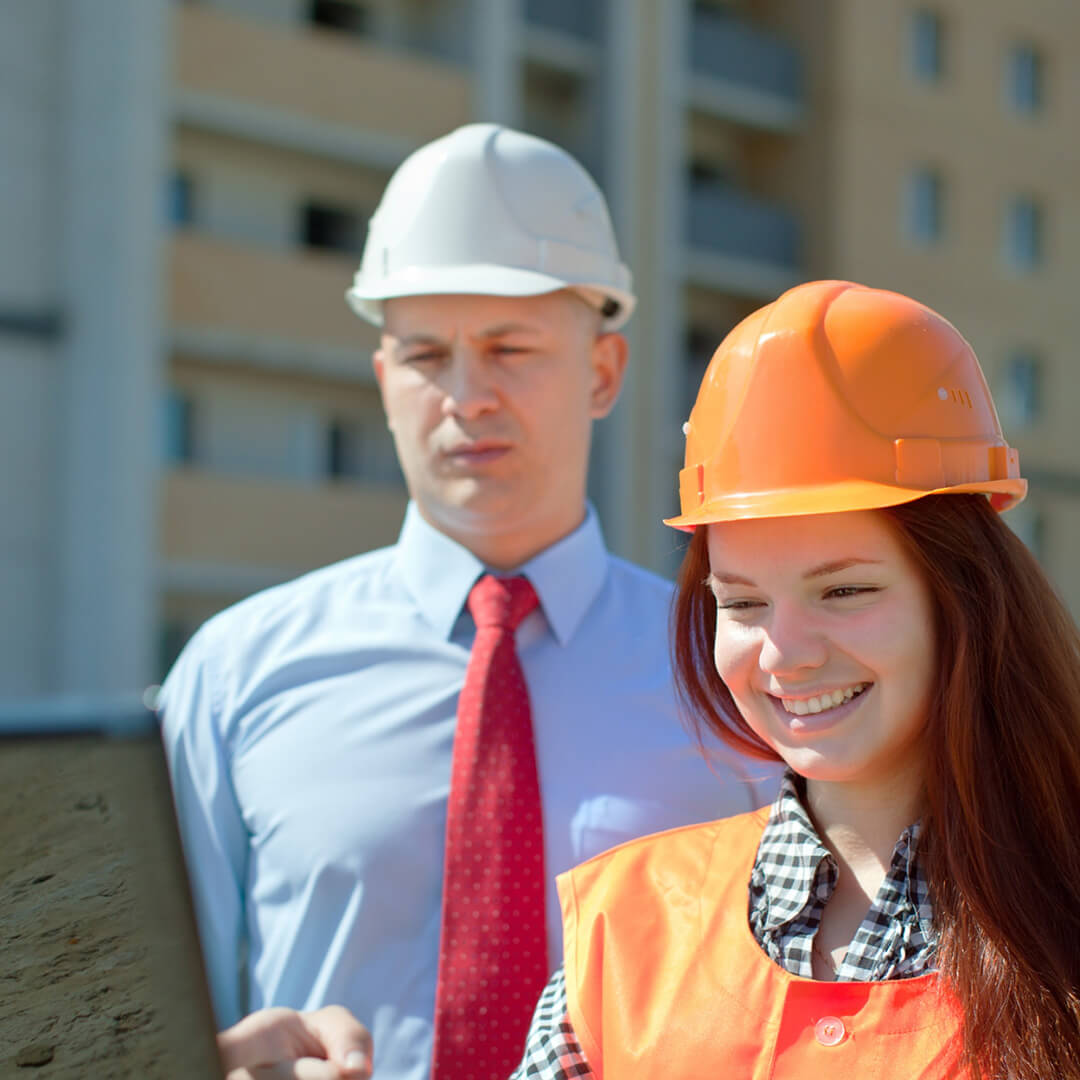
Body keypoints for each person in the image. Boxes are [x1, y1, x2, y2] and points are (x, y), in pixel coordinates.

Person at [159, 123, 773, 1080]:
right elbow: (141, 1016)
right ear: (383, 381)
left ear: (604, 372)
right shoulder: (236, 674)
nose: (465, 395)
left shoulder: (734, 672)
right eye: (424, 356)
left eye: (509, 347)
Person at [502, 279, 1080, 1079]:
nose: (784, 653)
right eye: (742, 603)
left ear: (968, 600)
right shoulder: (622, 926)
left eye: (844, 591)